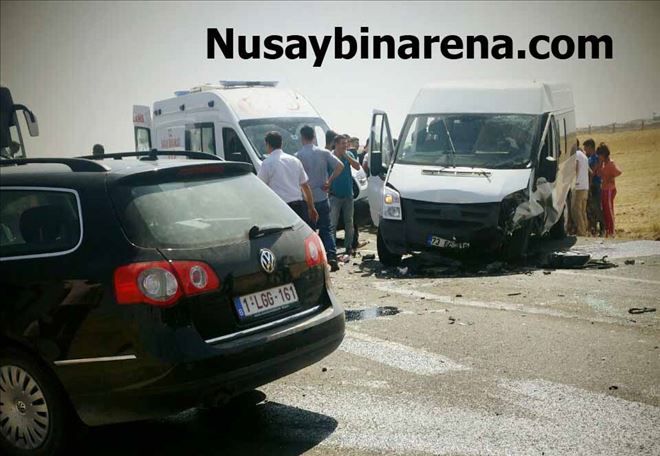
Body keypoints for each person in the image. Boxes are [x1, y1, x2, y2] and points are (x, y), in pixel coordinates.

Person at [296, 126, 344, 271]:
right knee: (326, 229)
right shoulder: (323, 152)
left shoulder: (298, 156)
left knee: (310, 232)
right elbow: (340, 166)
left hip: (307, 199)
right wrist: (329, 181)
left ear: (302, 137)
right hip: (323, 196)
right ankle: (332, 256)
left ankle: (315, 261)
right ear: (314, 137)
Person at [258, 131, 319, 226]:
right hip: (299, 207)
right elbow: (305, 186)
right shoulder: (295, 161)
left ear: (267, 144)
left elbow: (260, 187)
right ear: (281, 143)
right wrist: (311, 207)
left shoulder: (267, 163)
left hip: (281, 208)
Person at [329, 135, 361, 260]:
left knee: (349, 222)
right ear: (336, 144)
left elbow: (357, 166)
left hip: (348, 194)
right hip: (335, 195)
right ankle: (332, 249)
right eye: (342, 143)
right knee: (333, 223)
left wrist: (347, 156)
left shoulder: (348, 154)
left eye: (346, 143)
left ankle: (349, 247)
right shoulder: (330, 156)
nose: (345, 145)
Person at [594, 143, 622, 237]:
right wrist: (599, 164)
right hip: (604, 189)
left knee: (609, 211)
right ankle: (608, 231)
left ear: (603, 154)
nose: (598, 157)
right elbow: (598, 173)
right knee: (605, 211)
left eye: (599, 155)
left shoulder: (610, 163)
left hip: (609, 189)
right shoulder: (603, 163)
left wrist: (610, 177)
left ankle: (612, 232)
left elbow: (618, 172)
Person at [584, 138, 605, 236]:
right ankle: (595, 229)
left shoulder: (595, 158)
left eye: (586, 147)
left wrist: (589, 184)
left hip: (595, 185)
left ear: (590, 147)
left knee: (597, 207)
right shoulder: (590, 158)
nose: (585, 149)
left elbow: (592, 173)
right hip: (592, 185)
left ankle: (603, 228)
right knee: (592, 208)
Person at [571, 140, 589, 236]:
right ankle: (585, 230)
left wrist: (574, 181)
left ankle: (581, 232)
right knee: (582, 210)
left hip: (579, 186)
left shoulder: (577, 155)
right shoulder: (584, 155)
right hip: (585, 186)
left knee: (576, 209)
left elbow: (576, 168)